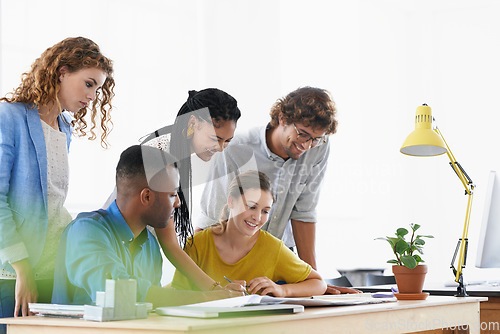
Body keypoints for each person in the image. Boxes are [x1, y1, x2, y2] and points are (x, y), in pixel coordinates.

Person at [195, 87, 358, 294]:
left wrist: (313, 283)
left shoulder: (319, 147)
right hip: (232, 260)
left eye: (316, 139)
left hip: (278, 258)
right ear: (282, 119)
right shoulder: (236, 148)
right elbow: (212, 217)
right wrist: (205, 285)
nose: (308, 145)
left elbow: (304, 212)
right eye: (303, 134)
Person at [0, 36, 115, 330]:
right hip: (13, 273)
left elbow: (51, 201)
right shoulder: (9, 118)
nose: (93, 96)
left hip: (54, 268)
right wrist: (23, 269)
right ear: (61, 72)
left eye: (98, 89)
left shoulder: (64, 129)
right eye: (89, 83)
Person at [52, 145, 242, 307]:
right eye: (172, 194)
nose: (178, 203)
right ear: (147, 196)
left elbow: (149, 307)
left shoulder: (150, 244)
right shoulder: (85, 231)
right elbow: (119, 294)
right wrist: (207, 299)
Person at [103, 89, 241, 291]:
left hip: (137, 249)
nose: (221, 148)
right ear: (193, 123)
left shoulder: (176, 149)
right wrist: (214, 290)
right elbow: (170, 244)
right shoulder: (161, 155)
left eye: (227, 141)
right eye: (216, 138)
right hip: (119, 249)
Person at [172, 171, 327, 297]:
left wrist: (282, 290)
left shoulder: (272, 248)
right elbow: (177, 295)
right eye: (252, 207)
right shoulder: (197, 243)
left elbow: (319, 283)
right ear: (231, 202)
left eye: (265, 211)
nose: (258, 218)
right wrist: (218, 294)